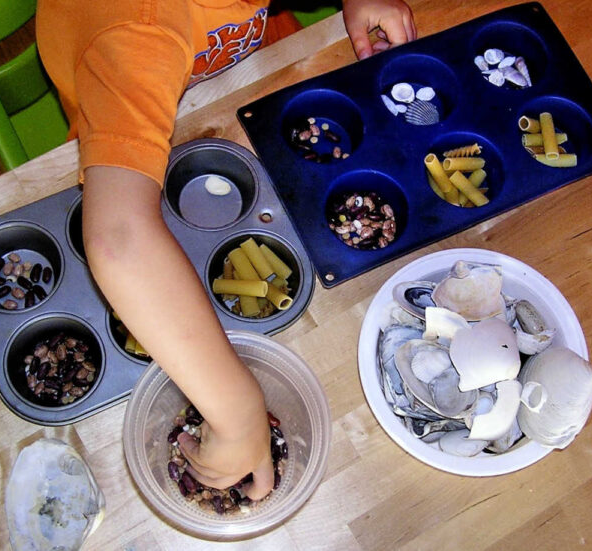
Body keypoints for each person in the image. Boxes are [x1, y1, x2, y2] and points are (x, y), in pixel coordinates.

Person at [36, 0, 416, 500]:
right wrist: (235, 411)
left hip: (235, 64)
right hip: (123, 118)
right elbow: (119, 239)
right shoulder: (136, 27)